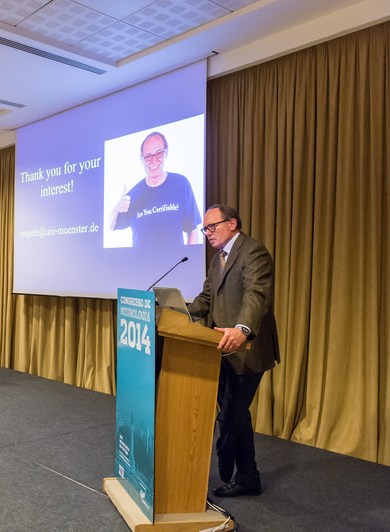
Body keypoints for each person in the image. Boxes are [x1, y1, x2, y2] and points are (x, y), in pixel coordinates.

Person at [187, 205, 280, 497]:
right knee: (238, 416)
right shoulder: (218, 260)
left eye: (212, 227)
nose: (207, 234)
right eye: (204, 229)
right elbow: (206, 298)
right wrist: (180, 311)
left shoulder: (253, 251)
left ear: (233, 223)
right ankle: (249, 477)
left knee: (230, 416)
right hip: (220, 350)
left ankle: (226, 460)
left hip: (246, 349)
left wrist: (242, 329)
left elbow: (257, 294)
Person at [108, 131, 201, 246]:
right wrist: (116, 208)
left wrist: (191, 261)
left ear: (166, 152)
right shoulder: (132, 195)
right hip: (141, 263)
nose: (153, 160)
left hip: (175, 263)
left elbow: (192, 230)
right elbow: (109, 227)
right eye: (148, 156)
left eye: (158, 154)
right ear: (142, 160)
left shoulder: (181, 183)